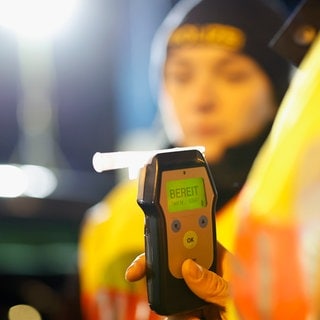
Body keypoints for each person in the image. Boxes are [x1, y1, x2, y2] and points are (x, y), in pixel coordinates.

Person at [78, 0, 292, 319]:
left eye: (232, 75)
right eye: (181, 75)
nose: (200, 99)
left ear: (279, 93)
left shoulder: (300, 223)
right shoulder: (110, 221)